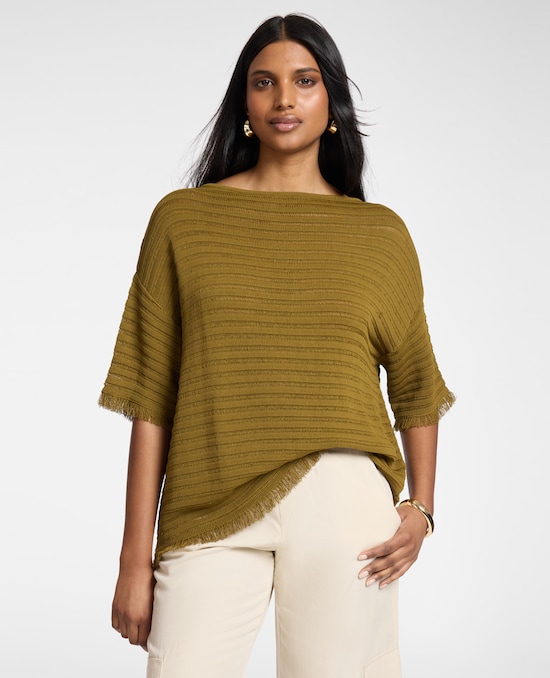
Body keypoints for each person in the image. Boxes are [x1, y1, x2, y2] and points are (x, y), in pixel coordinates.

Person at [99, 13, 454, 678]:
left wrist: (421, 510)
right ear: (244, 103)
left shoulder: (380, 234)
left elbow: (416, 386)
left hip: (343, 498)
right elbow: (152, 396)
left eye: (305, 81)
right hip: (206, 499)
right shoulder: (183, 221)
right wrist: (132, 561)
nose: (284, 98)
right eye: (264, 82)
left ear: (332, 103)